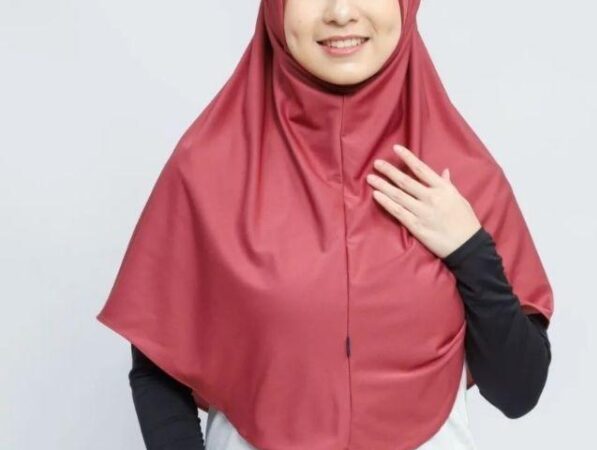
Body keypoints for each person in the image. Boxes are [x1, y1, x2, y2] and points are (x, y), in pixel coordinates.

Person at [97, 1, 555, 449]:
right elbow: (158, 371)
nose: (340, 12)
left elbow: (517, 392)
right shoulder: (210, 169)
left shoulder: (460, 178)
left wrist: (470, 250)